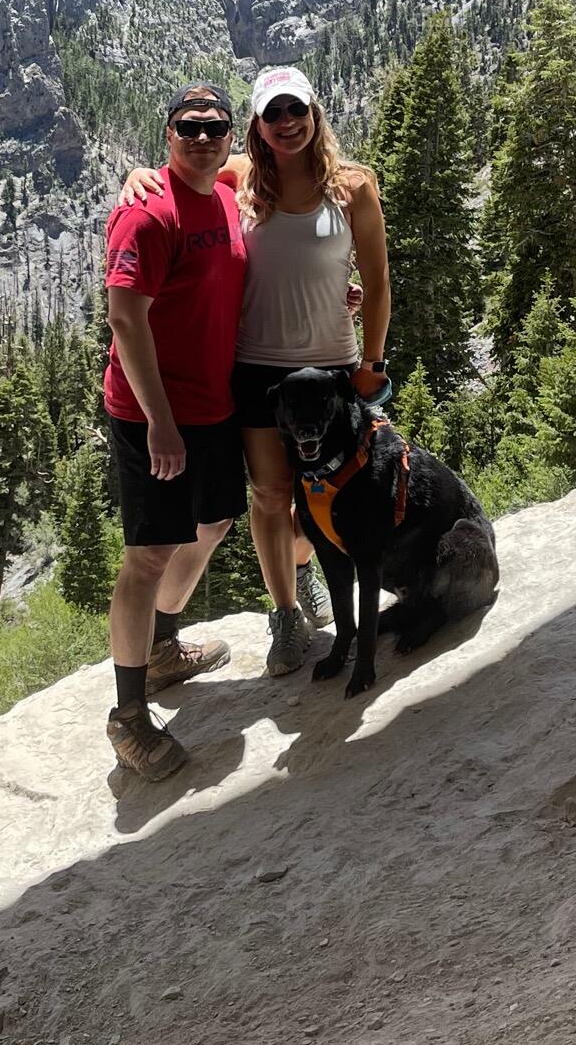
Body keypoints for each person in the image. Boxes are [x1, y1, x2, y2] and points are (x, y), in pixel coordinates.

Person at [125, 63, 390, 677]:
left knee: (329, 495)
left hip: (333, 370)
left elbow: (376, 283)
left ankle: (316, 577)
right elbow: (178, 178)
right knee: (271, 496)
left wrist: (373, 363)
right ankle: (287, 617)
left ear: (314, 113)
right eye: (273, 113)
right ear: (257, 125)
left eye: (296, 109)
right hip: (256, 371)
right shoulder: (239, 177)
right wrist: (135, 175)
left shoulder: (353, 187)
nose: (287, 123)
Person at [99, 82, 248, 782]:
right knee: (149, 554)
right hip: (151, 413)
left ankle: (161, 648)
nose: (201, 137)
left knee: (214, 521)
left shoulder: (223, 188)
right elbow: (125, 318)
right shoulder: (146, 215)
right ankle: (127, 715)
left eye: (215, 126)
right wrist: (159, 422)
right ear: (167, 134)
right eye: (188, 127)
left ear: (229, 136)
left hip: (213, 403)